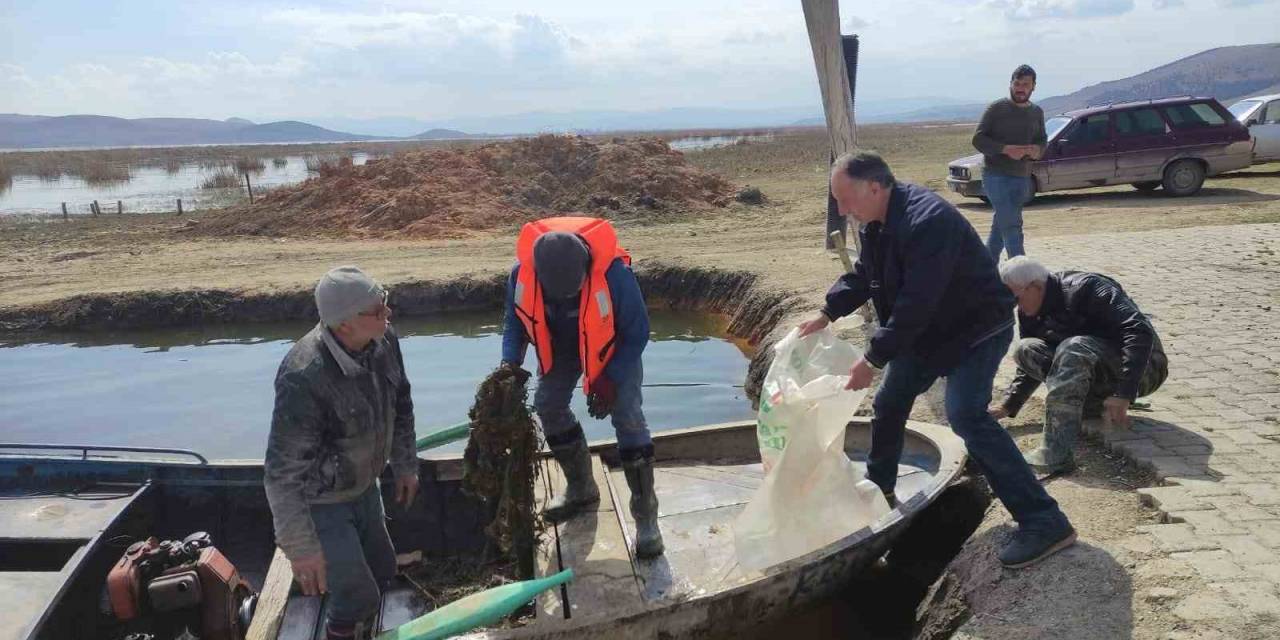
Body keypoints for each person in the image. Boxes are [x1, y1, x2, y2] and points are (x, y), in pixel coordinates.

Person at [798, 150, 1075, 569]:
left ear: (874, 187)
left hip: (976, 330)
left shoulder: (927, 222)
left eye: (844, 198)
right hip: (930, 332)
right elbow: (865, 275)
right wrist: (827, 312)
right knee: (890, 403)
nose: (841, 210)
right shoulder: (876, 221)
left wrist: (871, 359)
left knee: (965, 415)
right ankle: (880, 490)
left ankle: (1044, 520)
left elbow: (915, 304)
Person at [264, 266, 419, 640]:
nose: (388, 315)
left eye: (385, 304)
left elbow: (402, 402)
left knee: (382, 570)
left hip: (364, 487)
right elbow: (281, 475)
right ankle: (341, 630)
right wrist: (302, 550)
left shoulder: (383, 340)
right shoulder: (303, 376)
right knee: (356, 595)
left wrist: (405, 464)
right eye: (378, 311)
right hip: (321, 501)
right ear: (345, 324)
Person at [500, 216, 664, 558]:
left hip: (613, 347)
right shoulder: (521, 276)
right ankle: (581, 488)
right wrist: (509, 364)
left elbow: (638, 333)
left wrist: (611, 377)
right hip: (562, 348)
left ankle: (647, 521)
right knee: (548, 405)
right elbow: (514, 323)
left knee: (629, 418)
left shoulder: (616, 276)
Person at [992, 256, 1168, 474]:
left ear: (1036, 286)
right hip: (1095, 367)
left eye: (1015, 297)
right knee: (1026, 349)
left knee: (1073, 347)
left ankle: (1055, 454)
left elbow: (1138, 331)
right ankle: (1093, 405)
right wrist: (1008, 405)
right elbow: (1031, 366)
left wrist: (1124, 393)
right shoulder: (1029, 309)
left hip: (1146, 368)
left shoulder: (1088, 288)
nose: (1013, 305)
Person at [972, 64, 1047, 260]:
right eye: (1017, 83)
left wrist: (1036, 150)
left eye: (1026, 84)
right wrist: (1005, 150)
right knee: (1013, 225)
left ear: (1033, 87)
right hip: (995, 175)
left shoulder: (1036, 112)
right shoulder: (996, 108)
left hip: (1022, 177)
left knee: (1001, 226)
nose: (1020, 88)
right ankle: (1021, 272)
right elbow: (978, 140)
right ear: (1011, 84)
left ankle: (985, 270)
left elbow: (1042, 140)